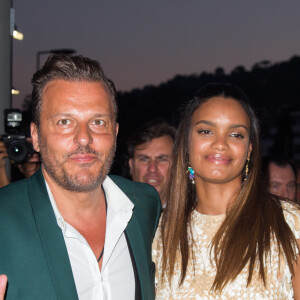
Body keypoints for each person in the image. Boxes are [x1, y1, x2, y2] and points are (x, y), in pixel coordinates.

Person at [0, 55, 161, 300]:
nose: (84, 138)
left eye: (98, 122)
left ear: (115, 132)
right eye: (65, 122)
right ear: (35, 135)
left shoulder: (143, 205)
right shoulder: (4, 219)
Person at [152, 83, 300, 299]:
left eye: (236, 134)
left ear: (249, 149)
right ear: (186, 143)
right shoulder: (159, 233)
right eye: (206, 131)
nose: (220, 143)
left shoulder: (289, 223)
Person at [127, 119, 176, 207]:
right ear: (131, 166)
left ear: (177, 167)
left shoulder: (194, 217)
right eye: (144, 159)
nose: (152, 168)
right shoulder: (111, 214)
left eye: (162, 159)